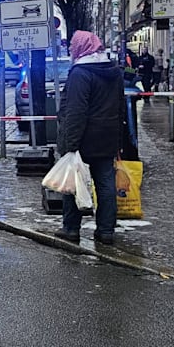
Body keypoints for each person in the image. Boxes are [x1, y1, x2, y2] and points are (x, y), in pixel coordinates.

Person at [53, 31, 124, 245]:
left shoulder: (80, 73)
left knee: (73, 184)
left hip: (84, 138)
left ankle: (71, 228)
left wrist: (70, 144)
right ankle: (106, 231)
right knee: (105, 184)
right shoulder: (114, 71)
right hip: (108, 137)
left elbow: (76, 111)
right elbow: (121, 106)